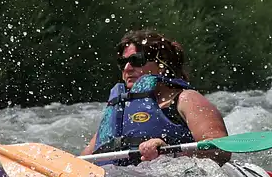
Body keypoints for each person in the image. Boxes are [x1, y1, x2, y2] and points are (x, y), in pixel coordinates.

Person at [81, 30, 231, 166]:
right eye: (122, 62)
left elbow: (220, 150)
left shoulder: (186, 99)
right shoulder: (120, 112)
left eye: (136, 60)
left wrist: (169, 151)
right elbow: (81, 162)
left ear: (162, 63)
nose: (127, 68)